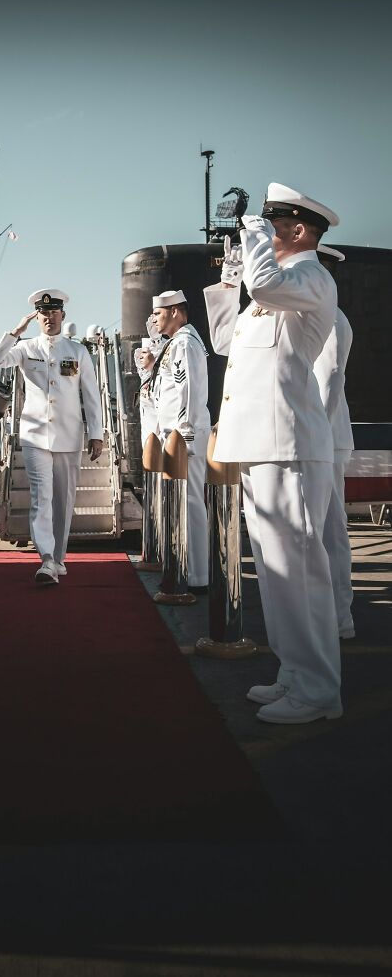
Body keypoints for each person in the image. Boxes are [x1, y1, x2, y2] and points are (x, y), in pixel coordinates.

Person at [204, 182, 341, 724]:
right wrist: (228, 274)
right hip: (260, 443)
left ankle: (318, 690)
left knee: (299, 573)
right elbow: (224, 340)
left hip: (290, 445)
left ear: (299, 231)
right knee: (276, 573)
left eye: (272, 225)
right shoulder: (274, 292)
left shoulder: (312, 278)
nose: (259, 233)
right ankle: (293, 673)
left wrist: (253, 236)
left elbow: (263, 284)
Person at [0, 288, 104, 584]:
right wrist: (15, 332)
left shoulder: (77, 351)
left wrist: (96, 433)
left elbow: (91, 394)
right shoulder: (26, 348)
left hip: (69, 435)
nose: (49, 317)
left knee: (64, 499)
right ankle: (47, 559)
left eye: (53, 312)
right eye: (43, 313)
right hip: (35, 435)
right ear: (36, 318)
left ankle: (59, 558)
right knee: (42, 497)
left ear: (63, 315)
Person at [146, 290, 210, 589]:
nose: (154, 319)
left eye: (158, 314)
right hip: (173, 435)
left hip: (183, 435)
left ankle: (198, 575)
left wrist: (185, 432)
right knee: (180, 503)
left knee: (191, 502)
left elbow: (189, 390)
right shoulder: (176, 343)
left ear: (174, 311)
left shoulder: (184, 342)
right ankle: (186, 569)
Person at [314, 245, 355, 639]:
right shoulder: (319, 316)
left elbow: (328, 381)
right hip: (318, 437)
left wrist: (315, 435)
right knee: (321, 530)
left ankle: (340, 617)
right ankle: (330, 616)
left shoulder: (331, 319)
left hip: (322, 438)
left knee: (330, 532)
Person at [133, 337, 161, 450]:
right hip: (148, 441)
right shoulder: (145, 378)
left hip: (159, 442)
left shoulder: (161, 380)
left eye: (144, 352)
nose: (140, 356)